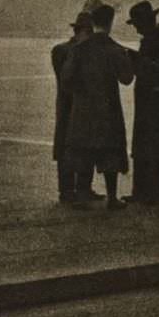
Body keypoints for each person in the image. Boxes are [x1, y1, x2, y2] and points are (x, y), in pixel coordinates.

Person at [61, 4, 134, 210]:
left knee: (83, 151)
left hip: (83, 108)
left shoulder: (78, 50)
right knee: (110, 152)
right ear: (110, 23)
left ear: (92, 23)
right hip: (108, 109)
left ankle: (82, 195)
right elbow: (127, 79)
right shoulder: (115, 50)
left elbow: (66, 79)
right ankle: (112, 197)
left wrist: (81, 92)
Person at [123, 1, 159, 205]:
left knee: (158, 148)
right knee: (144, 146)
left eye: (137, 23)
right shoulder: (152, 40)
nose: (136, 28)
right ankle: (142, 191)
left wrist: (135, 59)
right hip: (150, 101)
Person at [51, 12, 104, 203]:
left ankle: (80, 188)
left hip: (75, 105)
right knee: (70, 146)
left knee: (83, 145)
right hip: (71, 105)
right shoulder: (65, 50)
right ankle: (68, 190)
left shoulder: (64, 49)